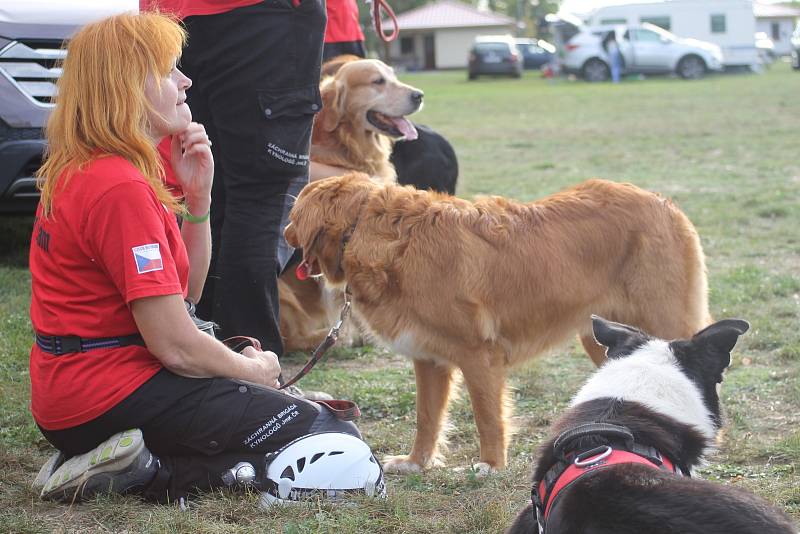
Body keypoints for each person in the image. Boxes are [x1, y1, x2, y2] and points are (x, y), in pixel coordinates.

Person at [29, 12, 372, 505]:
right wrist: (250, 372)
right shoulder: (118, 186)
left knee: (305, 415)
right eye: (170, 70)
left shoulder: (98, 169)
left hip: (81, 396)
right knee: (332, 438)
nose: (186, 80)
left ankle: (112, 456)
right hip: (105, 395)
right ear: (129, 86)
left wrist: (199, 201)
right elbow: (177, 347)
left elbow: (182, 299)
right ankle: (140, 471)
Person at [138, 0, 326, 379]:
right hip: (261, 17)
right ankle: (256, 378)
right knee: (257, 201)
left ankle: (206, 364)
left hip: (176, 17)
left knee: (209, 191)